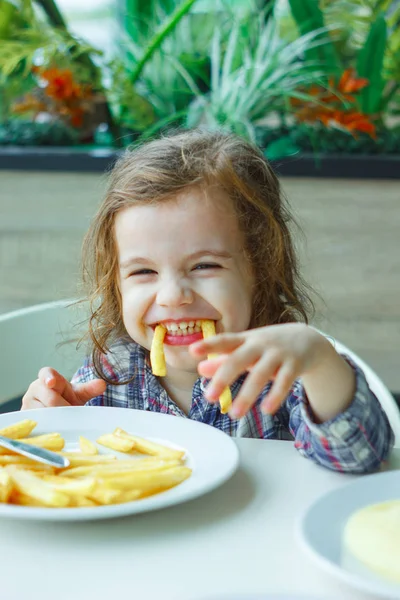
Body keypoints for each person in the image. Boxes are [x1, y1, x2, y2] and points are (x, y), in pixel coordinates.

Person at [21, 129, 394, 473]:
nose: (172, 297)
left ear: (260, 269)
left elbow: (361, 455)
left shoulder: (283, 371)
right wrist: (48, 426)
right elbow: (71, 472)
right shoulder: (110, 373)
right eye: (143, 273)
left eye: (204, 265)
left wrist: (319, 360)